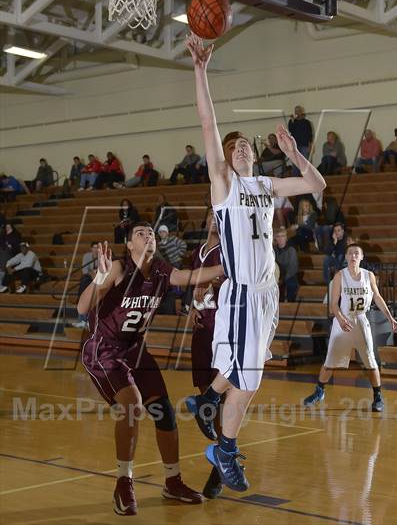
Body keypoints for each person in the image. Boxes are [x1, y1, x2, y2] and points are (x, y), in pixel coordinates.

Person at [184, 33, 326, 492]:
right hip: (244, 293)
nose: (242, 147)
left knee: (246, 372)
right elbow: (209, 126)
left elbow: (316, 184)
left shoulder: (266, 183)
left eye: (247, 144)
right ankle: (223, 447)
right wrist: (201, 71)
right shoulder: (223, 187)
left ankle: (205, 401)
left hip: (268, 295)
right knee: (251, 379)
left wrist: (294, 154)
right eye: (235, 146)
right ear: (225, 158)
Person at [78, 223, 224, 515]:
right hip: (103, 350)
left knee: (164, 412)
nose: (149, 237)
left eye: (152, 234)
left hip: (134, 348)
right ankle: (123, 482)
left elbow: (191, 276)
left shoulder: (160, 270)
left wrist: (229, 265)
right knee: (132, 405)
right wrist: (100, 278)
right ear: (129, 245)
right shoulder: (118, 268)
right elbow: (83, 308)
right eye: (141, 233)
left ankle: (172, 481)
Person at [303, 244, 397, 412]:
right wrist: (340, 319)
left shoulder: (369, 276)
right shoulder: (340, 275)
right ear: (346, 257)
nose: (353, 256)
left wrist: (390, 317)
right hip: (343, 320)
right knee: (330, 360)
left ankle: (378, 396)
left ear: (361, 257)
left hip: (361, 320)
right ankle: (320, 391)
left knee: (370, 360)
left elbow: (377, 297)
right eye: (350, 253)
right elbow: (333, 304)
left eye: (356, 253)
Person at [189, 209, 225, 498]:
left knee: (221, 397)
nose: (214, 220)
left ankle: (221, 465)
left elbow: (232, 278)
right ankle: (220, 450)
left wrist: (209, 284)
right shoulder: (197, 252)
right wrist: (191, 306)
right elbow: (193, 286)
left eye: (218, 216)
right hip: (201, 330)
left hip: (222, 329)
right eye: (211, 216)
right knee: (206, 395)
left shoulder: (227, 251)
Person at [72, 242, 99, 329]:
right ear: (91, 249)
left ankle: (85, 320)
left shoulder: (102, 256)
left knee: (89, 294)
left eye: (97, 247)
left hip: (99, 279)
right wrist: (92, 274)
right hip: (89, 279)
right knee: (84, 285)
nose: (96, 249)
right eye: (94, 248)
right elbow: (84, 270)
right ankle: (82, 320)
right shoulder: (86, 256)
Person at [273, 229, 299, 302]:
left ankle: (290, 302)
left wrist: (282, 280)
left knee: (291, 283)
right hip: (277, 276)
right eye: (278, 236)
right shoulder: (273, 251)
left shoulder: (291, 250)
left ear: (286, 238)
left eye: (282, 236)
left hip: (288, 276)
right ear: (275, 238)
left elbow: (293, 268)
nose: (280, 238)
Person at [288, 105, 313, 176]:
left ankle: (307, 177)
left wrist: (310, 145)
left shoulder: (307, 122)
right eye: (296, 110)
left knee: (305, 161)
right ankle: (295, 177)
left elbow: (310, 134)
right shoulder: (292, 121)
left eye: (299, 110)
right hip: (295, 145)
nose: (297, 112)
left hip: (304, 145)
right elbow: (290, 130)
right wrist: (292, 121)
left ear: (302, 111)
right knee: (295, 162)